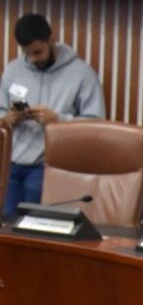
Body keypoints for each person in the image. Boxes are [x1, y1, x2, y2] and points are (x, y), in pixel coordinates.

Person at [0, 13, 105, 215]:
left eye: (37, 52)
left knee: (35, 224)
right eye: (27, 53)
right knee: (5, 227)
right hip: (10, 164)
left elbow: (96, 126)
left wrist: (57, 120)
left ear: (51, 40)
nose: (33, 59)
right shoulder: (12, 70)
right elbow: (1, 111)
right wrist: (7, 119)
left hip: (50, 166)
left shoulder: (82, 74)